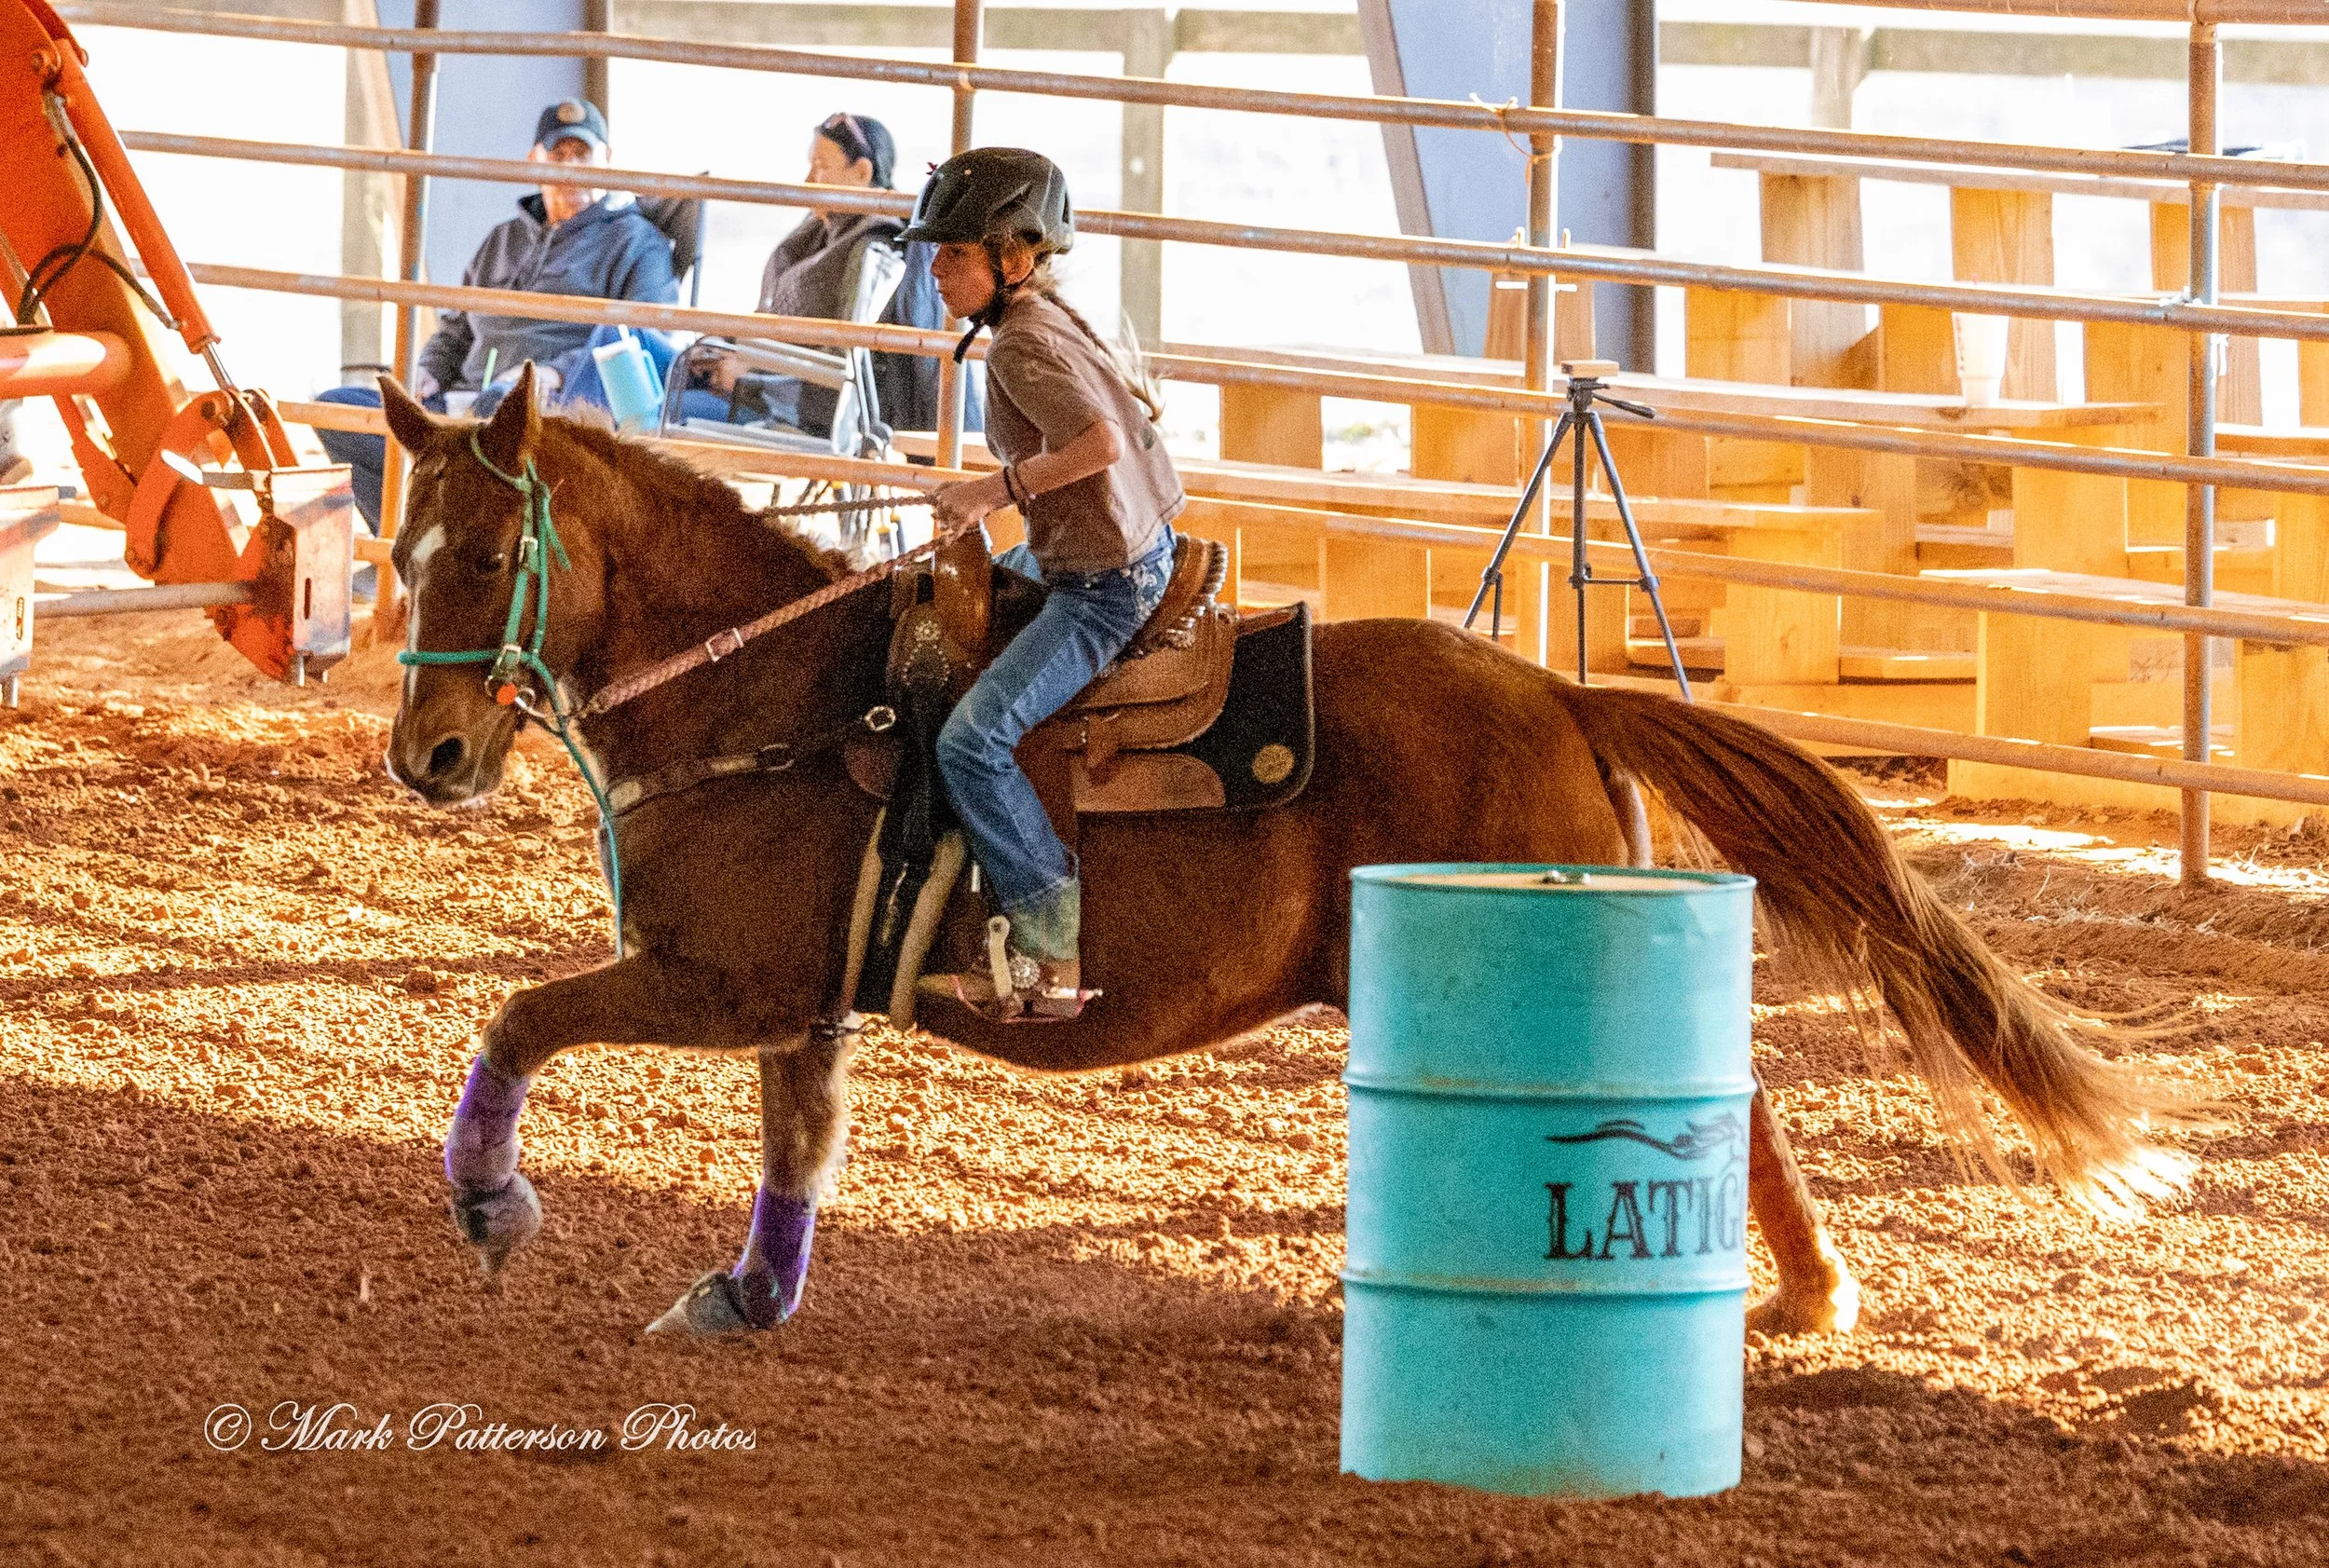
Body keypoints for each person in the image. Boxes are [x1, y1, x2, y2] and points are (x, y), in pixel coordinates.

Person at [906, 148, 1182, 1024]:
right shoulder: (1044, 318)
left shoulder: (1019, 346)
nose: (936, 269)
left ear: (1014, 258)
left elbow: (1100, 443)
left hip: (1104, 586)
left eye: (955, 253)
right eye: (935, 251)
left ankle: (1049, 942)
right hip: (1126, 548)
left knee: (970, 741)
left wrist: (989, 492)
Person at [315, 99, 679, 532]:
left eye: (583, 154)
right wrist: (429, 371)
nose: (571, 168)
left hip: (546, 414)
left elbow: (645, 340)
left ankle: (455, 544)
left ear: (608, 159)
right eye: (558, 155)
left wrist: (553, 375)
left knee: (483, 436)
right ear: (534, 160)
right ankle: (418, 550)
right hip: (462, 403)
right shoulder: (502, 239)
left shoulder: (638, 244)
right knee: (334, 410)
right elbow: (456, 328)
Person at [673, 111, 974, 441]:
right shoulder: (824, 230)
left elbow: (846, 366)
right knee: (638, 350)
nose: (808, 181)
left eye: (821, 166)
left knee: (662, 405)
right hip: (757, 376)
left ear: (862, 173)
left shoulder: (873, 248)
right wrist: (729, 346)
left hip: (789, 411)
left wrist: (749, 378)